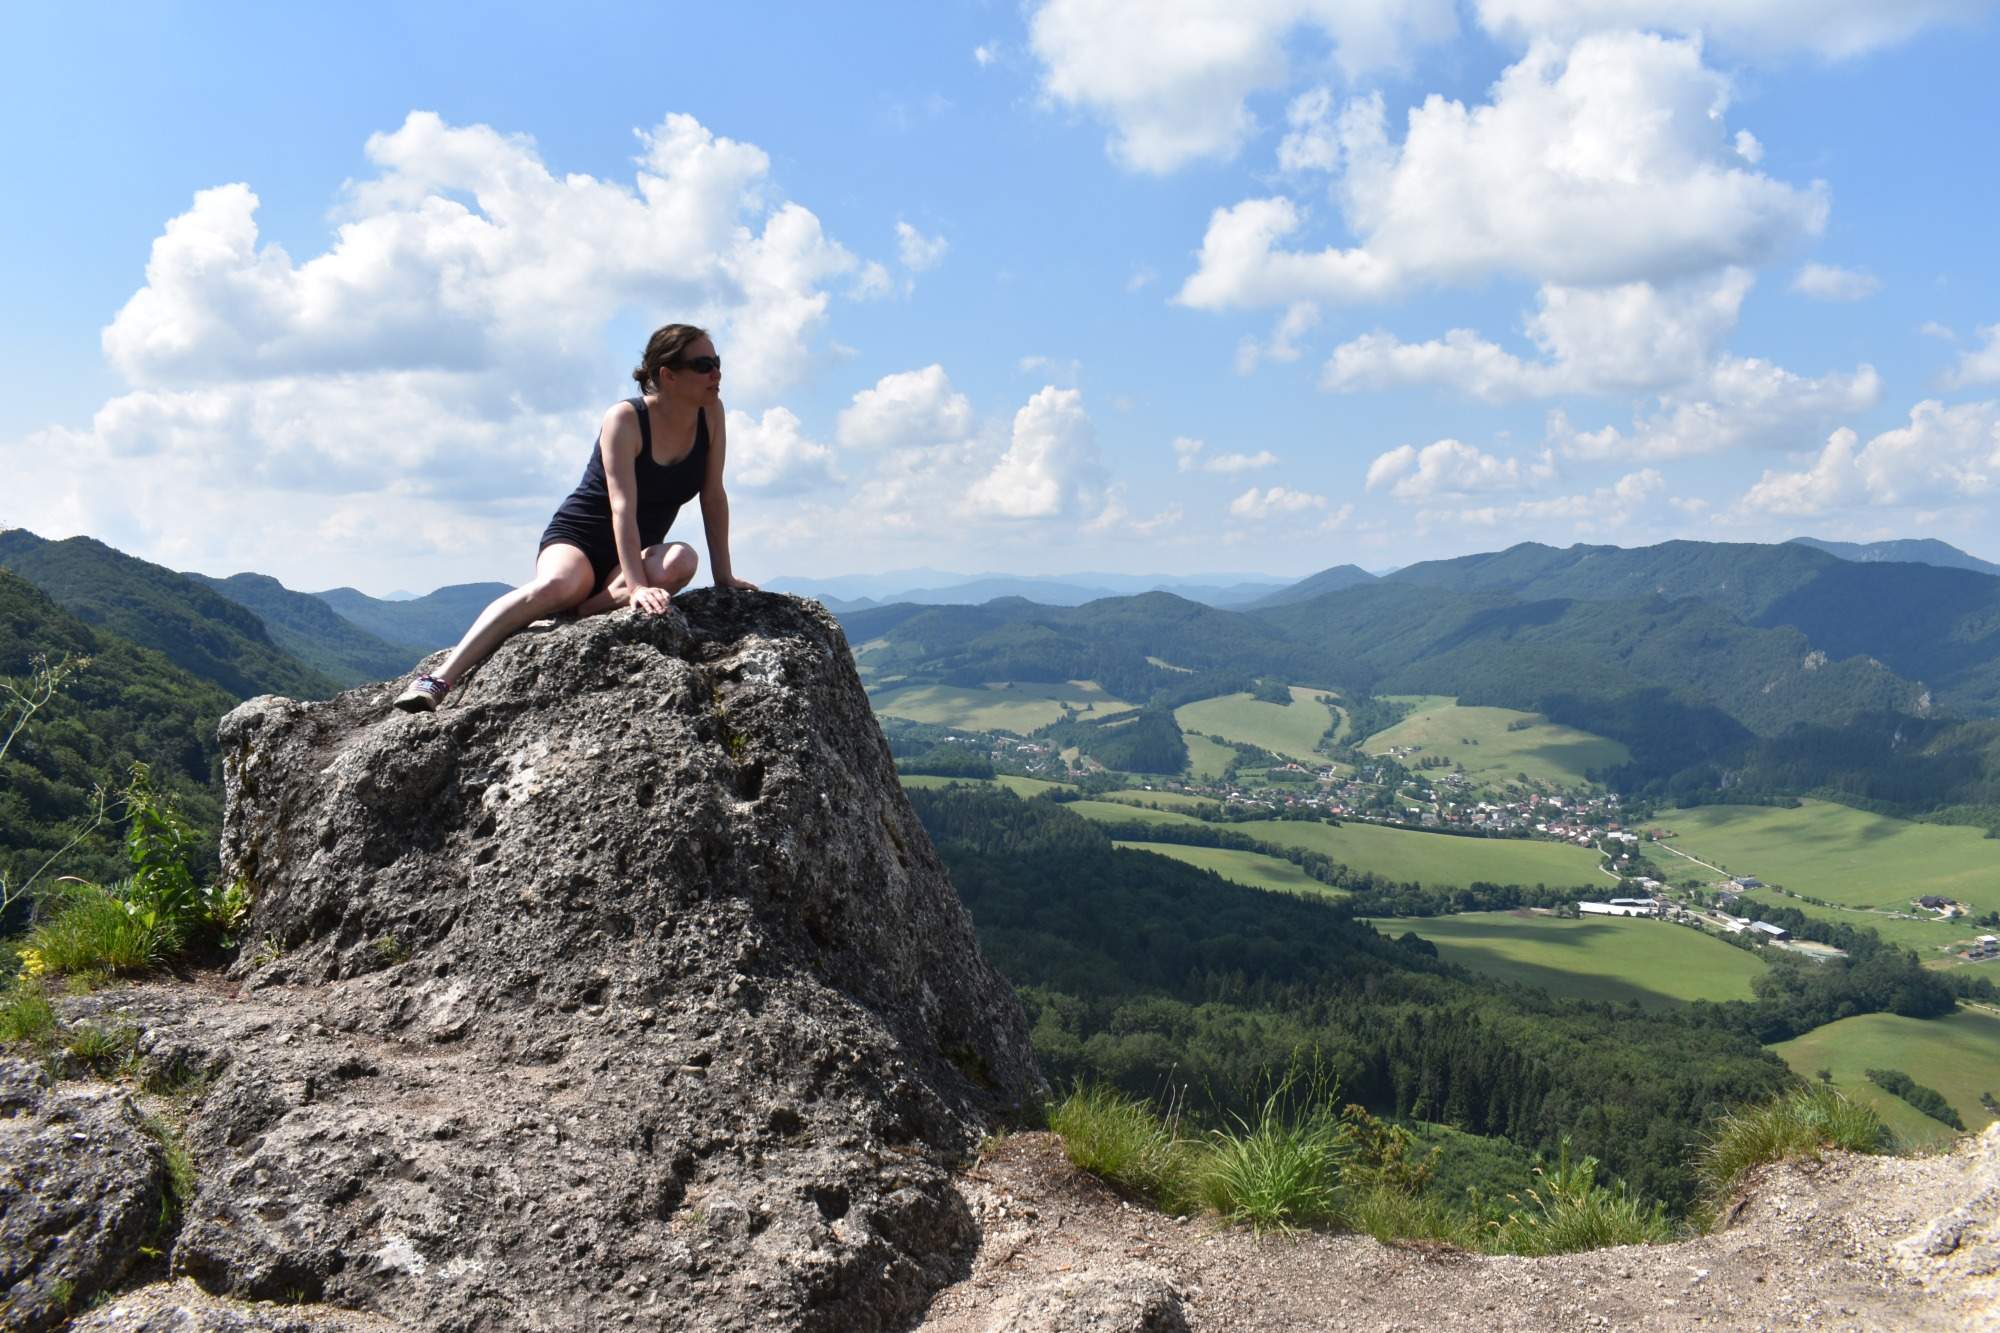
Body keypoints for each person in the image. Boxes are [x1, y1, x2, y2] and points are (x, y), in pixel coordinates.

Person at [393, 323, 756, 712]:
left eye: (717, 363)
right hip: (579, 538)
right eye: (703, 365)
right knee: (556, 586)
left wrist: (724, 577)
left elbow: (713, 495)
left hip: (627, 556)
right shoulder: (626, 419)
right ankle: (437, 680)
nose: (716, 374)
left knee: (682, 560)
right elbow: (622, 506)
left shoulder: (711, 415)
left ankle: (585, 610)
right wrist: (635, 587)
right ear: (667, 374)